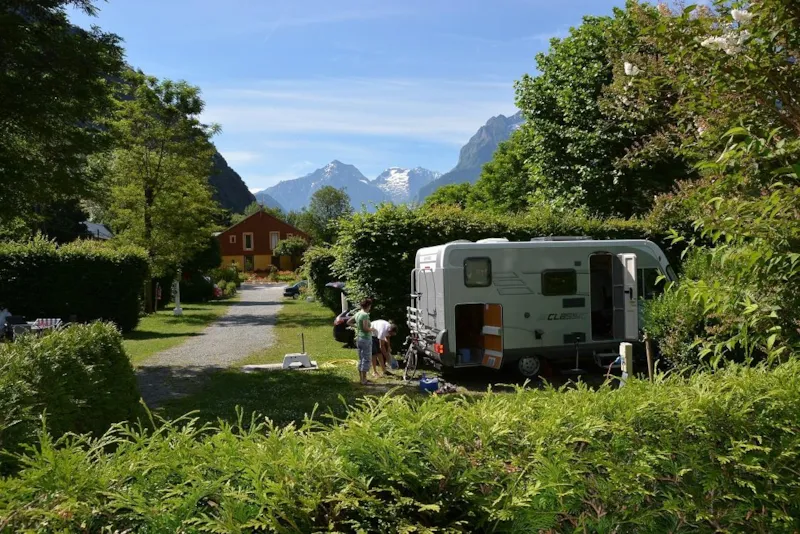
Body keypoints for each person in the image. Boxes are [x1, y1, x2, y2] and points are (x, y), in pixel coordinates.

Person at [351, 298, 374, 385]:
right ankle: (364, 380)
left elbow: (349, 322)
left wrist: (357, 327)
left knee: (361, 358)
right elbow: (365, 328)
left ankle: (361, 378)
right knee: (366, 359)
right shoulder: (365, 315)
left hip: (359, 338)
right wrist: (372, 329)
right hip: (365, 339)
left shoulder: (358, 313)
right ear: (368, 306)